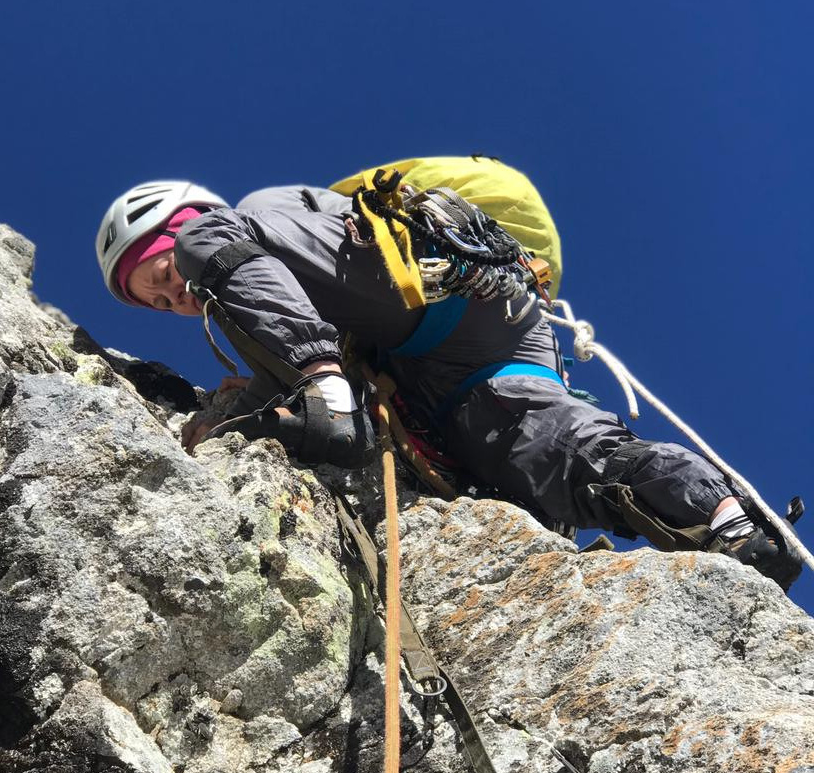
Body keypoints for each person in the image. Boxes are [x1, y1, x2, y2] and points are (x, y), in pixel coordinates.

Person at [95, 178, 801, 590]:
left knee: (247, 287)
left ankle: (328, 387)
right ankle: (724, 524)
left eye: (157, 276)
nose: (171, 299)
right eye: (156, 304)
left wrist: (319, 383)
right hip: (463, 358)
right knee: (539, 449)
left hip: (436, 297)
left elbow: (286, 325)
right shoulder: (263, 294)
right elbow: (271, 372)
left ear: (176, 223)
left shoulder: (256, 217)